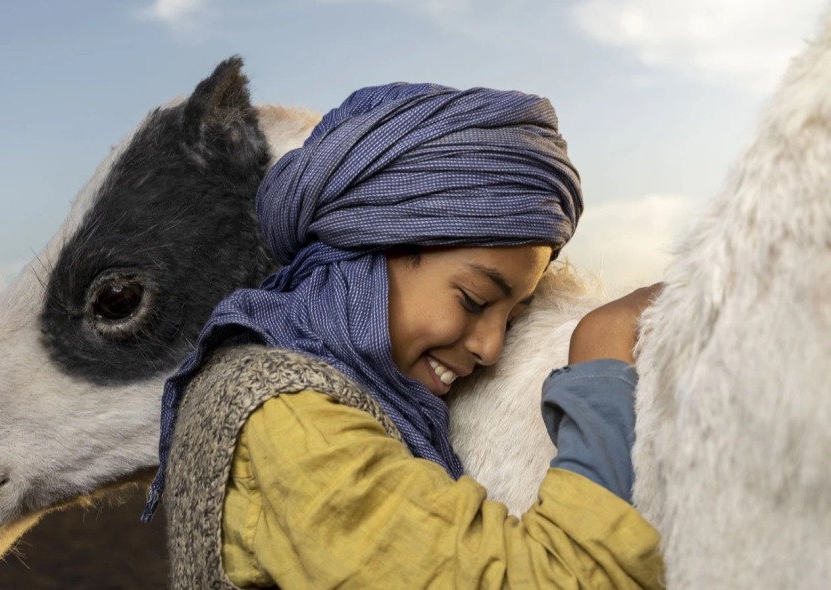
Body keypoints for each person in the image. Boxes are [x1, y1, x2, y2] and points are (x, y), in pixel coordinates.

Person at [145, 82, 665, 588]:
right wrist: (604, 348)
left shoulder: (300, 379)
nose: (490, 347)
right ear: (374, 244)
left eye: (510, 318)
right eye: (474, 300)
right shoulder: (291, 423)